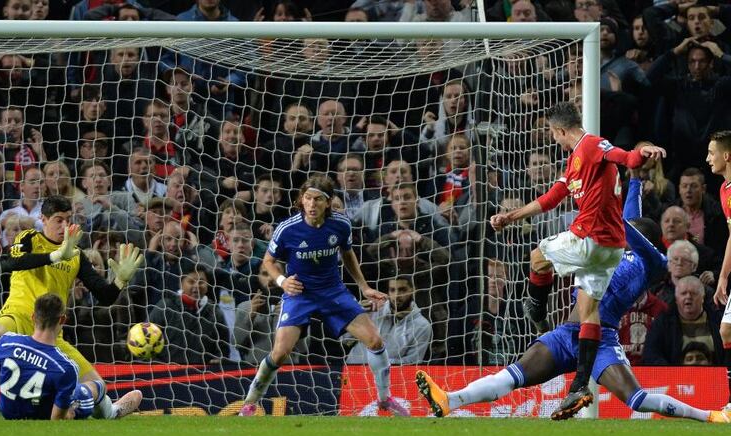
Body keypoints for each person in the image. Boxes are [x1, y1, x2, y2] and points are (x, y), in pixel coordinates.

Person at [419, 179, 731, 423]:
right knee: (512, 375)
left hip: (600, 340)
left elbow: (627, 225)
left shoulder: (652, 260)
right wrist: (634, 178)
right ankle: (451, 400)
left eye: (626, 229)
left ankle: (709, 415)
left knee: (635, 398)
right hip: (567, 333)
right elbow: (628, 216)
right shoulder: (621, 244)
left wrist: (608, 212)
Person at [488, 102, 666, 419]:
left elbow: (626, 158)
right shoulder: (574, 163)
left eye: (552, 134)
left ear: (559, 130)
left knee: (537, 257)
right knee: (589, 311)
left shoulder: (593, 144)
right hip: (609, 250)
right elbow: (552, 198)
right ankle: (580, 384)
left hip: (590, 238)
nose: (553, 139)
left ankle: (537, 310)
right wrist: (512, 216)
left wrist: (644, 153)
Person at [0, 195, 144, 416]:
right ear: (43, 218)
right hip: (18, 318)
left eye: (68, 220)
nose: (64, 226)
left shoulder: (76, 256)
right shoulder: (28, 238)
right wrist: (54, 256)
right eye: (58, 220)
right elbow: (12, 263)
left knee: (97, 385)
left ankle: (110, 411)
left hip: (52, 334)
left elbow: (105, 295)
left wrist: (120, 280)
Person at [239, 175, 409, 416]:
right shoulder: (287, 229)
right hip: (300, 294)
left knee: (375, 341)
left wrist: (364, 287)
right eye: (307, 198)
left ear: (327, 203)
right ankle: (250, 404)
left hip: (333, 291)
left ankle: (384, 399)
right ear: (301, 200)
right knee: (279, 353)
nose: (311, 204)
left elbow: (348, 254)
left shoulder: (341, 224)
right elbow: (268, 261)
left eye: (317, 199)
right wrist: (282, 281)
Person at [0, 293, 142, 420]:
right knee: (96, 385)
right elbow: (57, 420)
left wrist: (13, 395)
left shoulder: (6, 341)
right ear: (62, 320)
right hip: (44, 414)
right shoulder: (66, 366)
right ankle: (113, 411)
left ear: (33, 317)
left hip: (9, 412)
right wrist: (71, 411)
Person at [705, 130, 731, 412]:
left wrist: (724, 276)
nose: (707, 158)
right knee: (727, 332)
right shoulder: (725, 190)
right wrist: (724, 276)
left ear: (726, 156)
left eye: (712, 153)